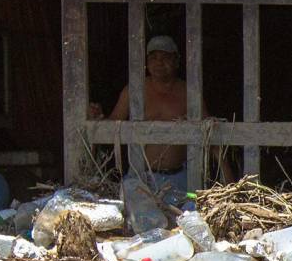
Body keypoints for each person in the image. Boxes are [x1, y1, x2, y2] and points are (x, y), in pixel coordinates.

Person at [91, 35, 231, 196]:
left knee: (188, 217)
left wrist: (230, 183)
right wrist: (96, 119)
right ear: (146, 62)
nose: (159, 62)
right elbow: (112, 126)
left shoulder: (188, 92)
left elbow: (208, 132)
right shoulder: (134, 90)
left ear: (177, 61)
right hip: (140, 179)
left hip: (180, 179)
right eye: (154, 57)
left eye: (166, 57)